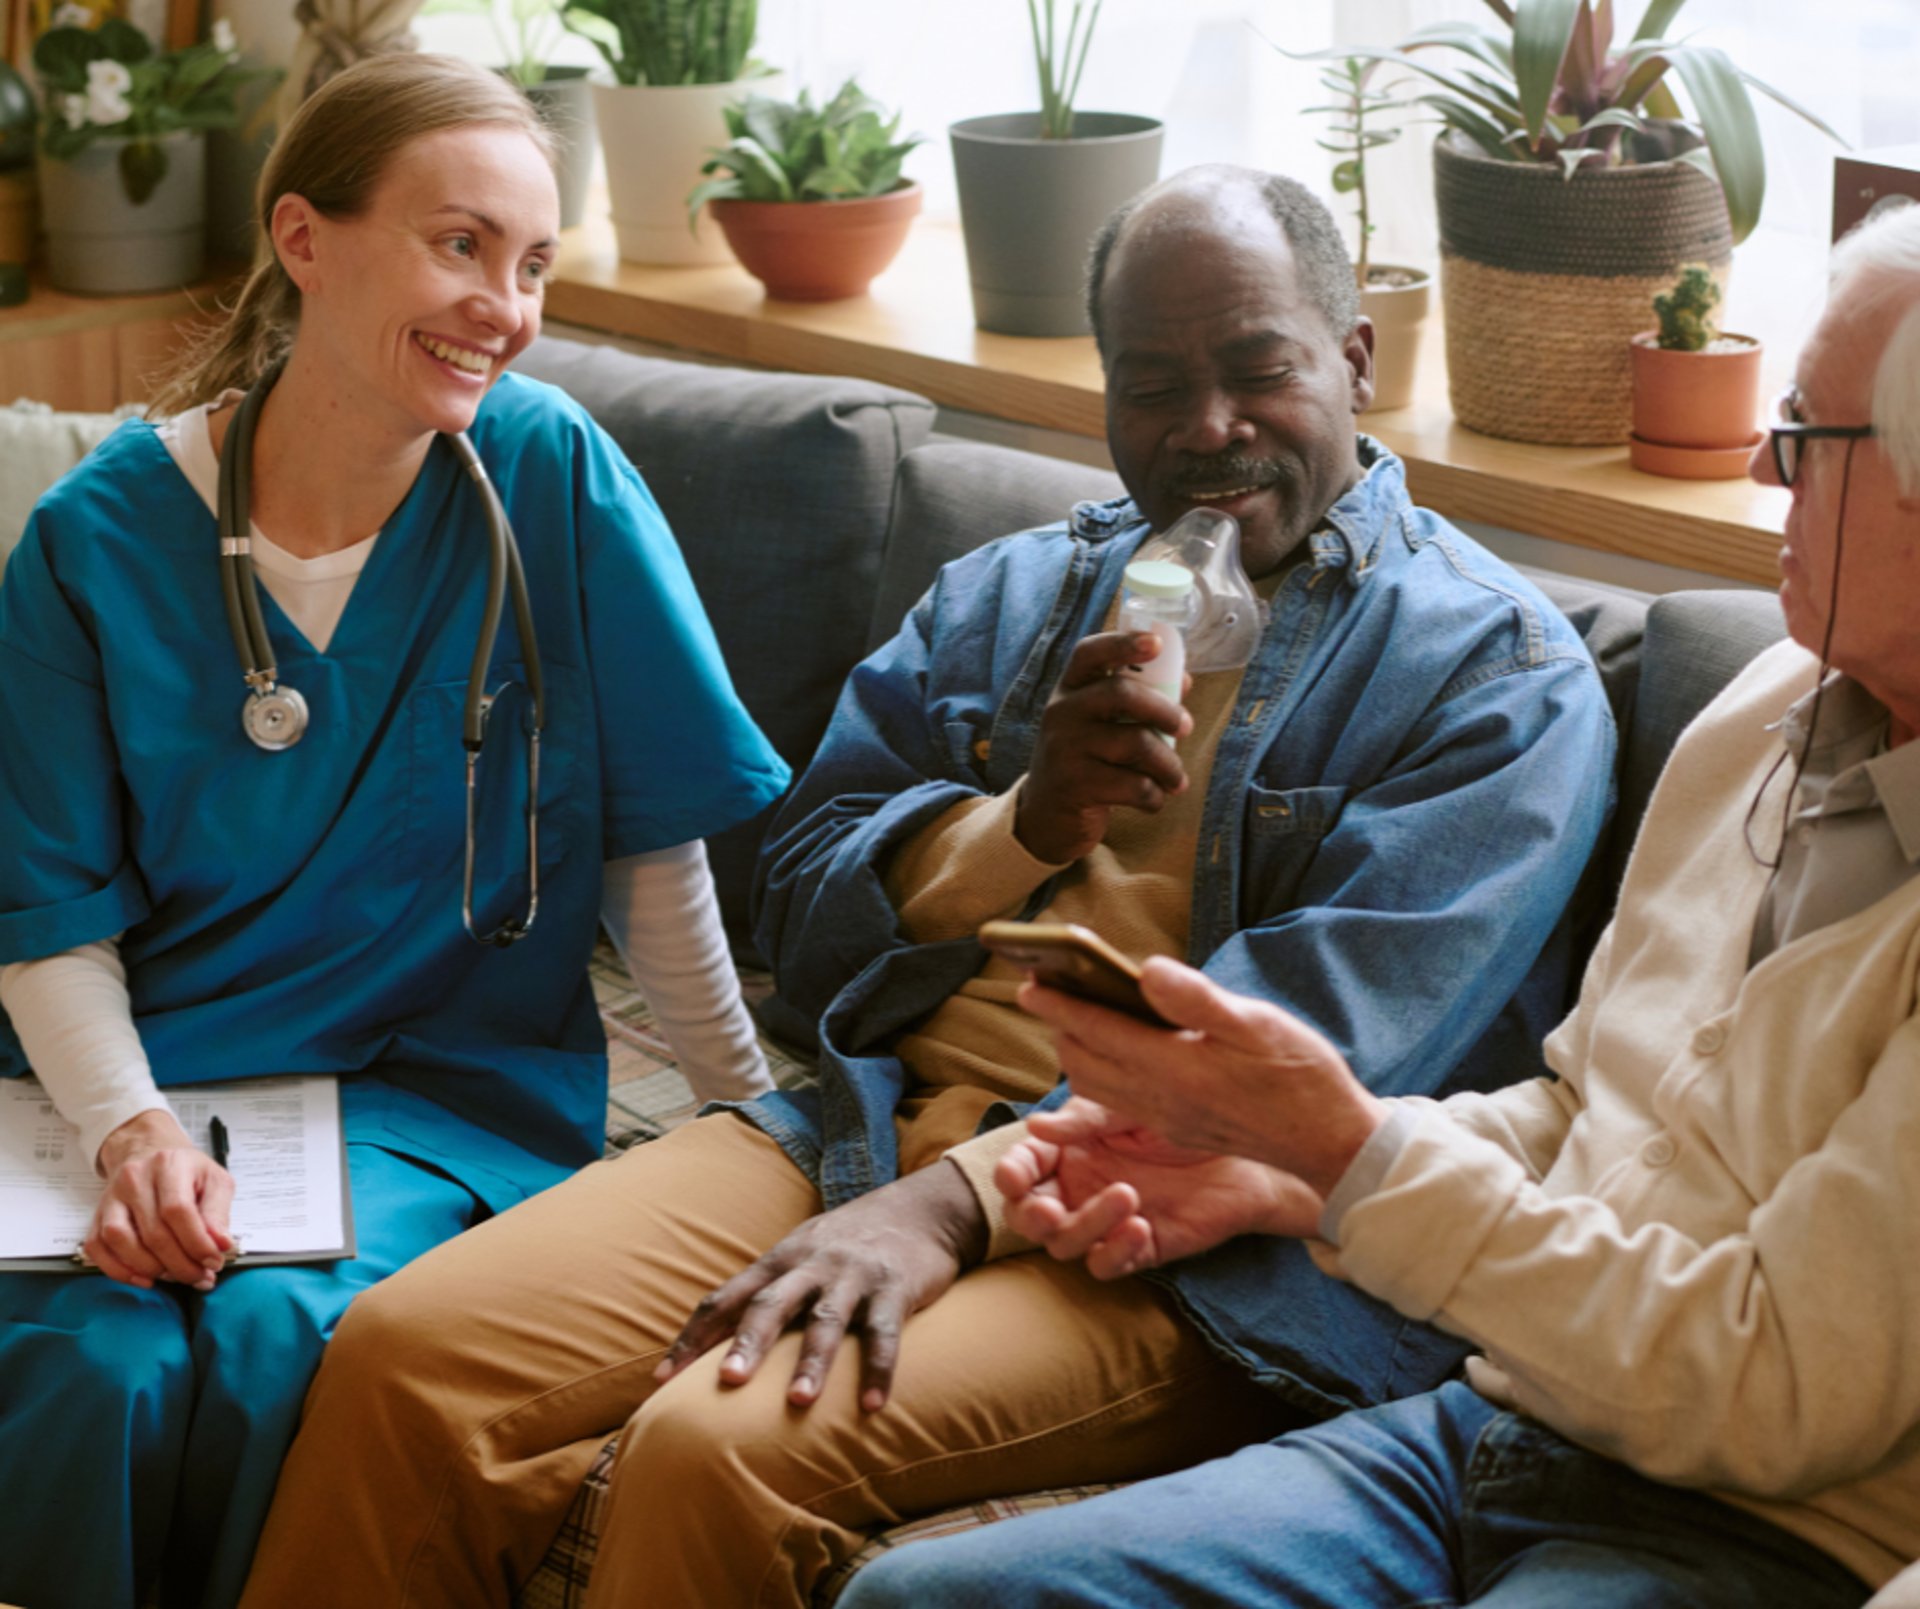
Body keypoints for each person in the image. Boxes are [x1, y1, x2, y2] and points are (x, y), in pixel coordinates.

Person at [236, 165, 1615, 1609]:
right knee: (405, 1357)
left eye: (1259, 369)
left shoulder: (1493, 681)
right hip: (861, 1117)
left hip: (1168, 1246)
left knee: (717, 1445)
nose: (1210, 430)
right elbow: (796, 930)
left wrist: (952, 1204)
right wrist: (1024, 821)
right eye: (1153, 385)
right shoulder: (1013, 597)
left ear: (1353, 360)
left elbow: (1288, 1074)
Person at [833, 201, 1920, 1609]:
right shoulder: (1766, 708)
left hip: (1759, 1534)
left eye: (1813, 436)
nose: (1768, 463)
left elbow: (1771, 1389)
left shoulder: (1495, 665)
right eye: (1781, 416)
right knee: (918, 1603)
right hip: (1498, 1423)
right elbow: (1581, 1108)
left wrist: (1352, 1154)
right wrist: (1298, 1178)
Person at [0, 53, 787, 1609]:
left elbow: (650, 848)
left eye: (535, 262)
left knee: (281, 1335)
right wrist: (137, 1131)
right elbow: (47, 920)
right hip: (148, 1091)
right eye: (460, 244)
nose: (506, 302)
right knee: (94, 1369)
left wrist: (756, 1130)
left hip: (438, 1092)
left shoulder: (550, 473)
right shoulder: (89, 545)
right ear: (303, 238)